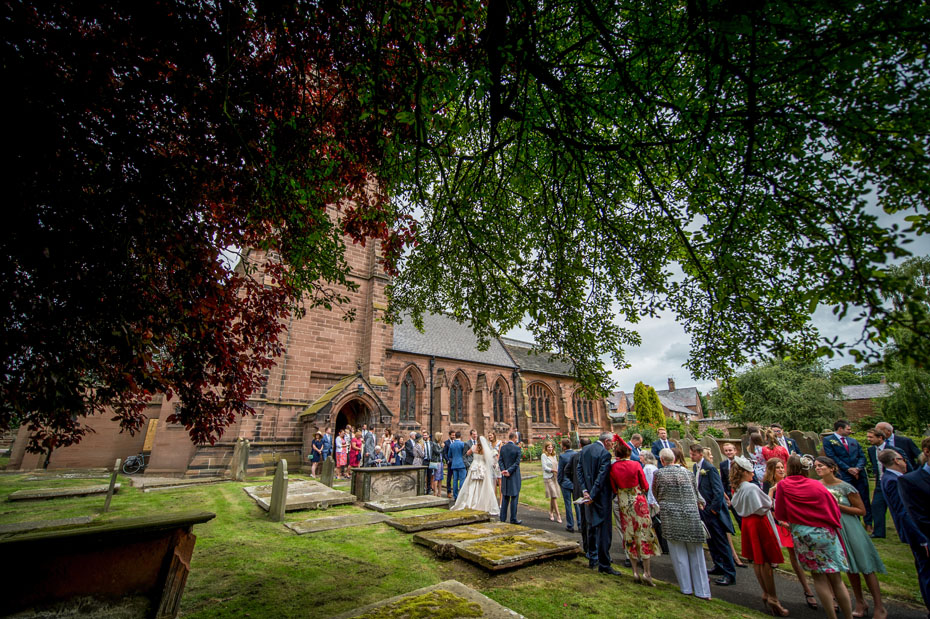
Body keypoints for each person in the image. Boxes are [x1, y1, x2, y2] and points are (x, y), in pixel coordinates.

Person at [774, 455, 852, 619]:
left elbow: (780, 512)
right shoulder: (816, 485)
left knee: (819, 578)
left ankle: (832, 616)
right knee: (836, 579)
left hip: (803, 533)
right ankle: (848, 616)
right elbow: (834, 509)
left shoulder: (783, 485)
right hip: (824, 532)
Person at [815, 456, 888, 619]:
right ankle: (860, 602)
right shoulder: (817, 486)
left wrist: (837, 505)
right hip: (832, 528)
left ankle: (879, 606)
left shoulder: (846, 487)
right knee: (849, 568)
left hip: (850, 526)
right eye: (816, 466)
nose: (818, 469)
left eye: (821, 466)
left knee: (865, 566)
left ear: (832, 468)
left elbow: (861, 510)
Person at [729, 456, 788, 616]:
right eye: (751, 471)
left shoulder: (739, 487)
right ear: (745, 473)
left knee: (757, 560)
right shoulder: (751, 488)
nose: (753, 474)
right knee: (766, 561)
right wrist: (771, 491)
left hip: (748, 523)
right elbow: (766, 505)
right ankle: (773, 597)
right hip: (759, 522)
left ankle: (765, 593)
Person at [652, 448, 711, 600]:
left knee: (678, 554)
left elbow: (656, 493)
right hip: (691, 515)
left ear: (662, 460)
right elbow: (697, 494)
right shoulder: (688, 473)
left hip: (671, 516)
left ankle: (686, 588)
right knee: (696, 554)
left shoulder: (658, 474)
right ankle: (703, 590)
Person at [881, 447, 930, 617]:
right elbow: (905, 512)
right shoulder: (894, 480)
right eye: (902, 459)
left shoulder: (894, 478)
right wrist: (922, 538)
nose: (905, 462)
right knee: (926, 570)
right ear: (896, 460)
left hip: (918, 533)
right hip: (920, 534)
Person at [764, 457, 817, 609]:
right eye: (778, 468)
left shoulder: (790, 482)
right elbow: (768, 507)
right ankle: (807, 590)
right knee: (794, 556)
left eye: (782, 467)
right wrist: (772, 491)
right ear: (772, 470)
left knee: (811, 555)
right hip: (783, 524)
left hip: (798, 522)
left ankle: (829, 593)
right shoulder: (768, 485)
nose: (781, 470)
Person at [611, 439, 660, 584]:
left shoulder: (613, 468)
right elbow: (645, 486)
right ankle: (647, 573)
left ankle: (634, 572)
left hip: (624, 503)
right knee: (643, 534)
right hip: (638, 502)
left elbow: (614, 488)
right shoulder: (635, 465)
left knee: (629, 535)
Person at [689, 443, 735, 586]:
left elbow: (718, 491)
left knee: (721, 542)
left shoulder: (709, 469)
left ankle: (729, 573)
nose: (691, 456)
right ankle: (718, 566)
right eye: (690, 454)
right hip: (703, 510)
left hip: (713, 512)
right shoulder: (696, 467)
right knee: (711, 541)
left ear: (700, 454)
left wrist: (713, 510)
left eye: (693, 454)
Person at [577, 432, 619, 575]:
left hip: (588, 496)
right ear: (607, 441)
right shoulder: (605, 454)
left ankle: (592, 559)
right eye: (612, 443)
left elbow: (579, 471)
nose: (612, 445)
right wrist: (593, 495)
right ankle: (604, 564)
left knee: (591, 528)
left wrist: (585, 491)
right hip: (601, 498)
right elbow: (601, 477)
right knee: (604, 532)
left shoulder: (585, 449)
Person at [822, 419, 872, 530]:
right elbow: (832, 457)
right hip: (843, 474)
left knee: (864, 498)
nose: (850, 431)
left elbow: (861, 456)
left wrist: (858, 468)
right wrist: (848, 469)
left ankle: (868, 523)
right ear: (840, 429)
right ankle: (855, 522)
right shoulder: (828, 440)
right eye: (848, 429)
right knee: (848, 499)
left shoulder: (853, 441)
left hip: (859, 474)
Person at [865, 426, 907, 539]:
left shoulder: (893, 449)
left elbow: (906, 465)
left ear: (880, 437)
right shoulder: (871, 450)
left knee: (899, 507)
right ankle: (879, 532)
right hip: (881, 482)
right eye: (868, 437)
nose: (869, 439)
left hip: (895, 481)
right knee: (876, 506)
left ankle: (904, 533)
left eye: (871, 437)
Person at [450, 436, 500, 515]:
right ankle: (482, 503)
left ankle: (470, 502)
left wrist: (473, 456)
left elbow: (467, 453)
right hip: (482, 467)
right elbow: (489, 459)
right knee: (483, 485)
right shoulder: (484, 449)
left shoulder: (474, 447)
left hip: (474, 466)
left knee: (471, 484)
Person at [640, 451, 668, 554]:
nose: (640, 459)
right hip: (654, 499)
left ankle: (662, 546)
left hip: (652, 500)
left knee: (656, 523)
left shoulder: (648, 468)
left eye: (641, 457)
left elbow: (650, 485)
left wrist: (651, 501)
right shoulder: (652, 467)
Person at [571, 438, 592, 555]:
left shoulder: (576, 456)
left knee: (585, 520)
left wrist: (575, 485)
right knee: (589, 521)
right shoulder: (598, 455)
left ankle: (588, 548)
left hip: (582, 492)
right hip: (589, 492)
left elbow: (568, 472)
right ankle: (591, 549)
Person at [499, 431, 523, 524]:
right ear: (515, 438)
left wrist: (504, 470)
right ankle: (513, 518)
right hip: (513, 476)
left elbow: (500, 460)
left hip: (505, 475)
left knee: (505, 497)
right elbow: (517, 463)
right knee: (514, 497)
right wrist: (509, 471)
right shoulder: (517, 449)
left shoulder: (503, 448)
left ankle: (502, 518)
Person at [558, 438, 580, 533]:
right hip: (575, 483)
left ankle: (570, 525)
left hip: (566, 483)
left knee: (568, 505)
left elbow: (561, 471)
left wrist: (560, 482)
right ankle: (580, 525)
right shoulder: (576, 454)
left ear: (563, 446)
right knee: (577, 505)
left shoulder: (562, 456)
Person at [541, 441, 562, 523]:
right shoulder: (544, 455)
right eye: (548, 447)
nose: (550, 448)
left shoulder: (554, 456)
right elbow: (544, 467)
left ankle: (550, 512)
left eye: (551, 447)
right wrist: (552, 470)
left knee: (554, 496)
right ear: (546, 448)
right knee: (554, 496)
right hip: (548, 477)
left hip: (555, 477)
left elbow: (557, 465)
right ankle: (558, 515)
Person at [448, 431, 467, 499]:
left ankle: (455, 496)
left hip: (454, 464)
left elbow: (449, 455)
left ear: (455, 436)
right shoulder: (463, 444)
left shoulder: (452, 445)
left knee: (455, 480)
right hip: (462, 464)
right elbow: (465, 454)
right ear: (460, 436)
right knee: (462, 480)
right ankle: (461, 496)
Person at [488, 431, 502, 504]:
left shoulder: (499, 442)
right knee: (493, 483)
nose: (490, 437)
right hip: (491, 464)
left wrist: (498, 462)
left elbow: (501, 453)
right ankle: (495, 501)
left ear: (494, 435)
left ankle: (501, 501)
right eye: (489, 436)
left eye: (491, 436)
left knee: (500, 482)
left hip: (498, 464)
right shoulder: (489, 444)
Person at [428, 432, 444, 496]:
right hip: (436, 462)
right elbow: (437, 452)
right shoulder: (434, 444)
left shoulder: (438, 444)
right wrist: (442, 447)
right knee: (436, 477)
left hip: (440, 462)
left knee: (440, 478)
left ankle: (439, 492)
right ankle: (435, 492)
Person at [442, 429, 455, 495]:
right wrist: (447, 460)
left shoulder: (456, 442)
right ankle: (449, 491)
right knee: (449, 478)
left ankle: (455, 491)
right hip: (450, 462)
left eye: (454, 435)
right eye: (452, 435)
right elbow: (445, 453)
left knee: (455, 478)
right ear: (449, 435)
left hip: (455, 462)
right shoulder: (446, 443)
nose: (453, 436)